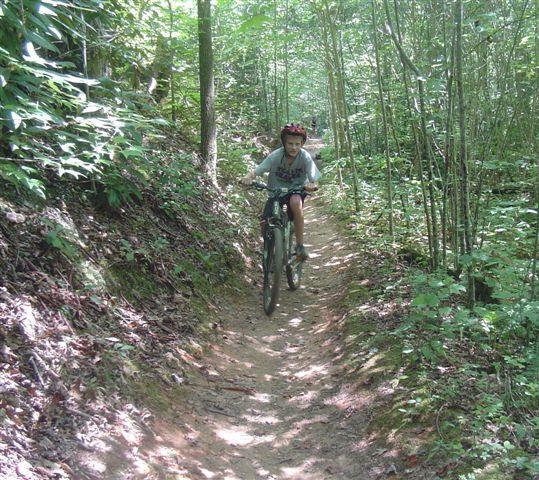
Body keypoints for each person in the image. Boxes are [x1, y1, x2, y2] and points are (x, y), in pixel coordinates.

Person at [241, 123, 320, 261]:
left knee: (296, 203)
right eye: (290, 143)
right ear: (284, 143)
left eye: (297, 144)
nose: (294, 147)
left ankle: (300, 246)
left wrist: (312, 185)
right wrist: (247, 177)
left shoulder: (305, 157)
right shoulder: (275, 156)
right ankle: (269, 249)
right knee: (265, 220)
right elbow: (258, 170)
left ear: (302, 143)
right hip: (276, 191)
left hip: (296, 189)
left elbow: (314, 179)